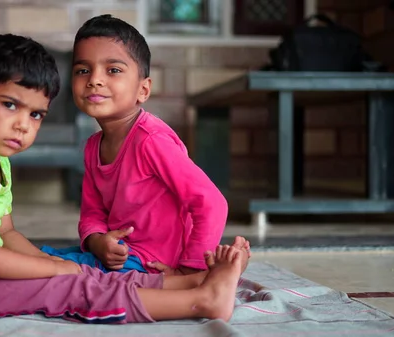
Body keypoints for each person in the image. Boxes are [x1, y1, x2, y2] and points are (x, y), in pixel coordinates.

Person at [0, 33, 248, 324]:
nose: (23, 124)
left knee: (77, 269)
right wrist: (56, 269)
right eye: (10, 105)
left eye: (36, 114)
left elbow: (5, 234)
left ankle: (189, 282)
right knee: (70, 287)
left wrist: (61, 265)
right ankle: (201, 299)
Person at [42, 14, 249, 276]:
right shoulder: (93, 146)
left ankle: (210, 277)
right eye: (83, 70)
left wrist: (189, 270)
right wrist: (98, 242)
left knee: (57, 274)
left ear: (143, 90)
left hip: (153, 263)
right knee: (42, 257)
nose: (94, 79)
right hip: (119, 256)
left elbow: (211, 203)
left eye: (113, 70)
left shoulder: (152, 141)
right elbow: (93, 213)